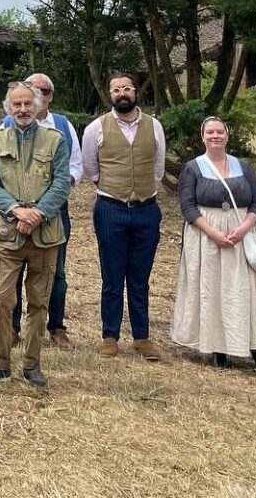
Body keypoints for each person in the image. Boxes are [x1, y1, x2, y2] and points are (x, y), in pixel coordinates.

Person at [0, 83, 72, 388]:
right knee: (2, 299)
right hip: (9, 236)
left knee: (39, 303)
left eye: (28, 104)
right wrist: (17, 211)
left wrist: (38, 214)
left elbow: (62, 183)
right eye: (16, 104)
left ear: (38, 105)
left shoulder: (55, 140)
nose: (22, 110)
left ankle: (32, 365)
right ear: (8, 108)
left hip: (46, 235)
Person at [170, 117, 256, 373]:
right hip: (206, 236)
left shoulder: (243, 166)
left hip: (240, 233)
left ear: (227, 136)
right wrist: (214, 233)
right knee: (212, 289)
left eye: (220, 132)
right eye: (210, 132)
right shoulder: (193, 168)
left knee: (242, 292)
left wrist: (244, 227)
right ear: (202, 137)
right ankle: (218, 348)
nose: (215, 136)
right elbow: (188, 207)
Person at [82, 72, 166, 361]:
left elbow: (158, 168)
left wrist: (142, 189)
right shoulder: (96, 128)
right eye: (117, 89)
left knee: (140, 278)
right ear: (110, 94)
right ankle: (110, 336)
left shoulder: (154, 126)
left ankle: (142, 338)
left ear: (136, 92)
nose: (122, 93)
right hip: (111, 209)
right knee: (112, 276)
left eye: (127, 88)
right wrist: (112, 187)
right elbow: (90, 168)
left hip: (146, 210)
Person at [1, 73, 82, 348]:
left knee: (55, 271)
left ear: (49, 96)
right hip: (15, 214)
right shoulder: (6, 125)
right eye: (31, 90)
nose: (37, 95)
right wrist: (20, 210)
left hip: (54, 212)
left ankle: (56, 327)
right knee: (14, 272)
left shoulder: (62, 126)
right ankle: (12, 329)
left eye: (43, 91)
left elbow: (74, 167)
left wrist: (44, 206)